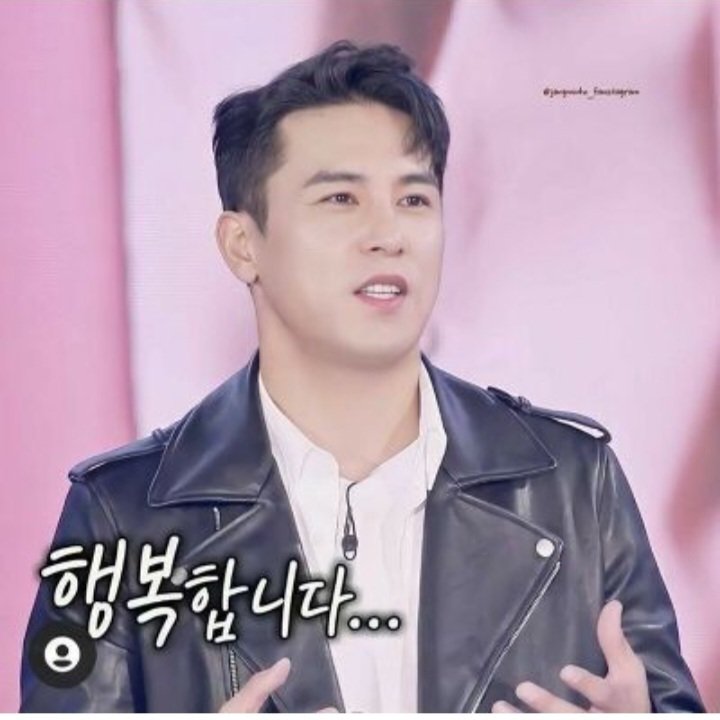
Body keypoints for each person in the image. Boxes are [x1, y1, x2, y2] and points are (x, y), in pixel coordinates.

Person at [20, 41, 704, 713]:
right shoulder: (121, 516)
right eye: (342, 198)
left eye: (414, 200)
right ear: (242, 244)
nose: (388, 234)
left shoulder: (571, 483)